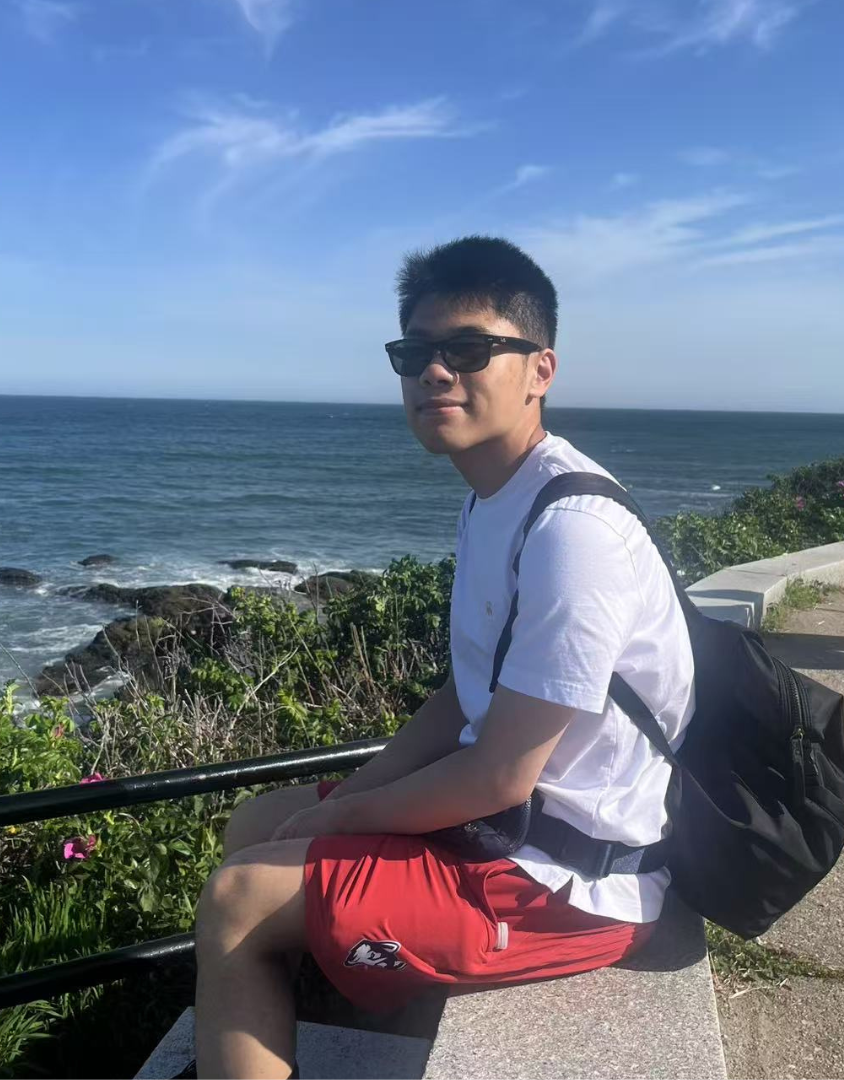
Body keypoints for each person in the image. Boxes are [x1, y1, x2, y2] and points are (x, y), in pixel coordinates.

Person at [191, 235, 696, 1079]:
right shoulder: (493, 498)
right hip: (510, 831)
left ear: (541, 369)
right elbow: (464, 698)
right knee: (254, 825)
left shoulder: (574, 531)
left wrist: (343, 817)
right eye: (414, 352)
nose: (434, 372)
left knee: (238, 901)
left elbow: (501, 777)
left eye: (468, 349)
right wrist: (352, 791)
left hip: (566, 879)